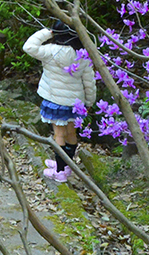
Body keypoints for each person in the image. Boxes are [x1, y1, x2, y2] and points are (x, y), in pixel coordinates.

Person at [24, 21, 97, 183]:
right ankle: (66, 165)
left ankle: (59, 170)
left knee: (59, 135)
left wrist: (48, 32)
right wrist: (89, 101)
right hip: (75, 103)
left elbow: (28, 47)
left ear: (57, 34)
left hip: (55, 100)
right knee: (71, 133)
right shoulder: (82, 55)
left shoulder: (50, 51)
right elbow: (89, 81)